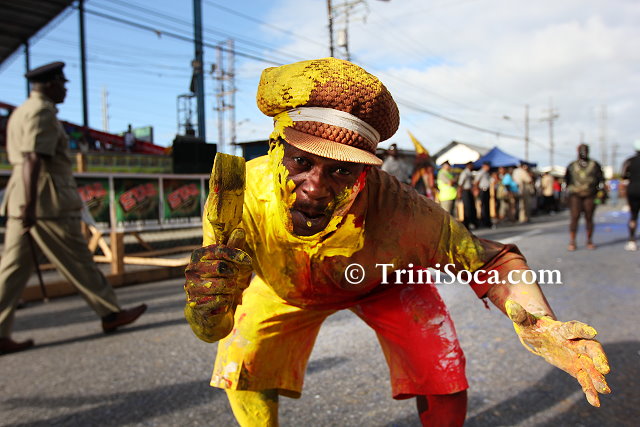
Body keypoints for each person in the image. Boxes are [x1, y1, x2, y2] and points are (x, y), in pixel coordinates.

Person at [183, 58, 610, 426]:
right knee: (242, 365)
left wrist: (541, 321)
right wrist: (206, 305)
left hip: (383, 284)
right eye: (301, 161)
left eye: (341, 170)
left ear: (365, 173)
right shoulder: (240, 196)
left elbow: (492, 261)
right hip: (282, 291)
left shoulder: (403, 211)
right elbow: (212, 327)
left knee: (441, 367)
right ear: (276, 147)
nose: (314, 188)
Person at [0, 62, 147, 355]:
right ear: (51, 84)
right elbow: (33, 158)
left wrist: (25, 203)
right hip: (45, 201)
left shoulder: (21, 111)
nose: (66, 89)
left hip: (23, 199)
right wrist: (31, 204)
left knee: (12, 269)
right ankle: (110, 312)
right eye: (63, 84)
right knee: (79, 260)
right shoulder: (41, 112)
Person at [565, 144, 604, 251]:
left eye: (585, 150)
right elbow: (567, 181)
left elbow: (601, 180)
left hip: (590, 194)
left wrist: (600, 195)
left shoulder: (594, 165)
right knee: (574, 217)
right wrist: (567, 195)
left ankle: (589, 240)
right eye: (581, 150)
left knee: (589, 217)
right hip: (575, 195)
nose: (583, 152)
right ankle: (572, 241)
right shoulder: (572, 165)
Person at [621, 139, 640, 251]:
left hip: (633, 190)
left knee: (633, 216)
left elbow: (623, 175)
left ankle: (632, 240)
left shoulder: (629, 161)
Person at [457, 161, 478, 229]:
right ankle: (467, 224)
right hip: (465, 191)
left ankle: (473, 222)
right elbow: (460, 184)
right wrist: (459, 193)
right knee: (467, 208)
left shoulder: (469, 172)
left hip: (469, 191)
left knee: (472, 207)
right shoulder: (465, 173)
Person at [474, 161, 492, 228]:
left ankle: (487, 221)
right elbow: (476, 182)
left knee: (487, 206)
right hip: (482, 190)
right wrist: (476, 190)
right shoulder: (481, 172)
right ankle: (484, 221)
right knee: (483, 206)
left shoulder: (487, 173)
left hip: (487, 190)